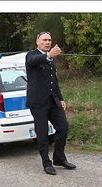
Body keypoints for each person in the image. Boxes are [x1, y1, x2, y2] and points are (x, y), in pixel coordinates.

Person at [25, 32, 76, 175]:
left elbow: (54, 81)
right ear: (37, 42)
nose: (47, 42)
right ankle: (46, 163)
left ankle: (59, 158)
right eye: (44, 40)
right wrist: (48, 56)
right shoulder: (31, 55)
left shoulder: (51, 59)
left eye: (49, 40)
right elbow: (33, 62)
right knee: (42, 134)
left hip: (53, 101)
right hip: (38, 102)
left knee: (63, 127)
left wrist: (61, 98)